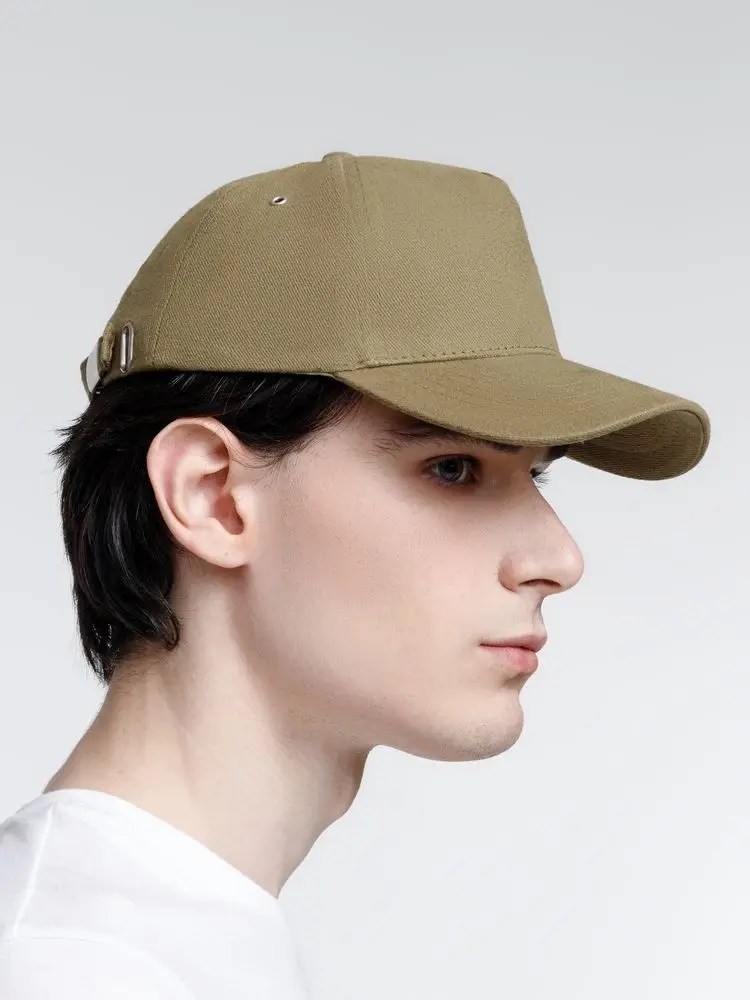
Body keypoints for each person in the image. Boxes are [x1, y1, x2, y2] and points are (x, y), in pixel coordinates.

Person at [0, 151, 711, 998]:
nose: (559, 560)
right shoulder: (73, 967)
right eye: (453, 468)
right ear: (212, 496)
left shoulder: (166, 944)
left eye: (536, 475)